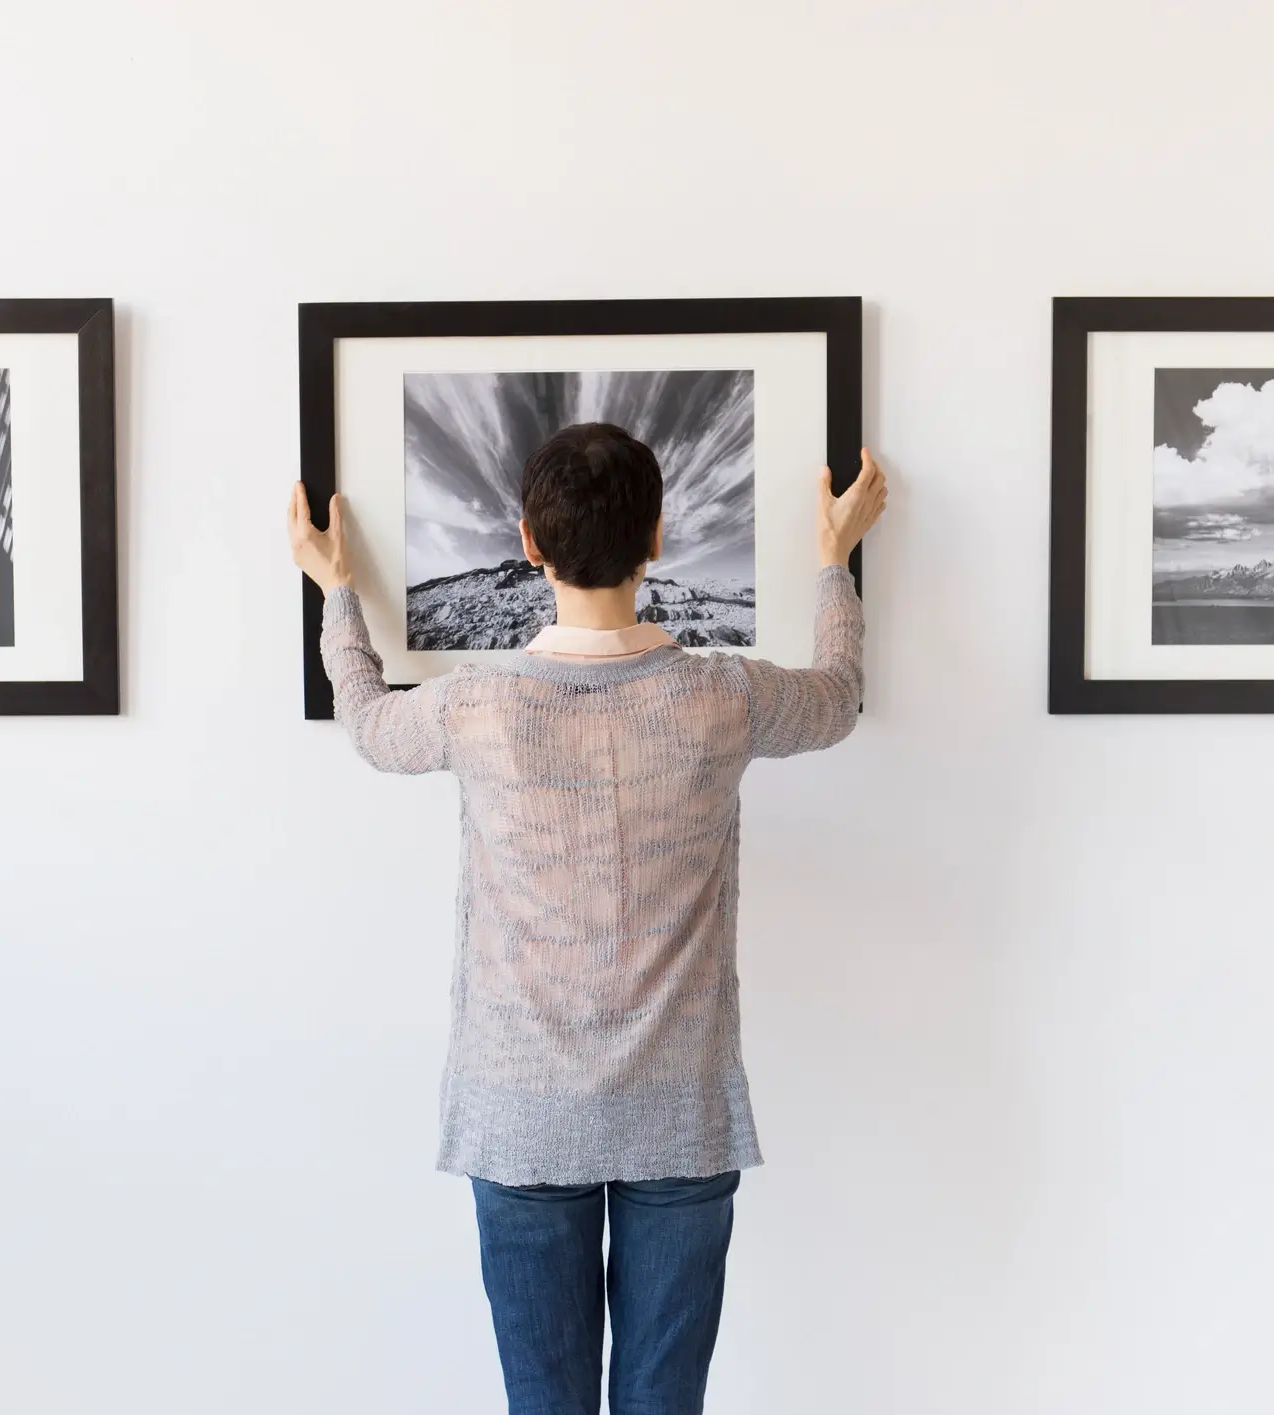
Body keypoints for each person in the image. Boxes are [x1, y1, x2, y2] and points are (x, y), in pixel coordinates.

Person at [287, 425, 887, 1415]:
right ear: (657, 535)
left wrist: (335, 589)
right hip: (679, 1112)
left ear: (527, 541)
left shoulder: (473, 704)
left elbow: (364, 718)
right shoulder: (723, 696)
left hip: (520, 1113)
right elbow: (838, 694)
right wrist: (832, 561)